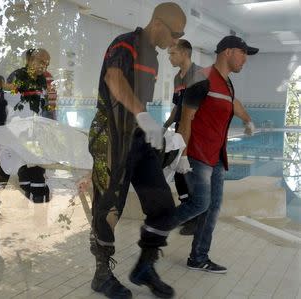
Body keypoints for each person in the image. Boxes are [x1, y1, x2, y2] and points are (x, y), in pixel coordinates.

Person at [88, 3, 186, 299]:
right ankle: (102, 276)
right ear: (158, 23)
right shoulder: (125, 44)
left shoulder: (154, 60)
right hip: (111, 137)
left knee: (163, 207)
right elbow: (114, 80)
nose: (176, 41)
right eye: (175, 33)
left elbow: (138, 97)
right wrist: (143, 115)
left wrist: (160, 135)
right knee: (109, 208)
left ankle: (145, 266)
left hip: (138, 139)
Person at [171, 35, 258, 274]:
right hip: (198, 154)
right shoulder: (201, 78)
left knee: (213, 207)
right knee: (201, 203)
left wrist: (248, 120)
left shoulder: (227, 83)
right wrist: (183, 155)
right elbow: (185, 119)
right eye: (243, 54)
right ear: (228, 52)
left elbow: (233, 103)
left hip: (217, 155)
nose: (245, 60)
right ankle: (158, 224)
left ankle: (198, 257)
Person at [0, 48, 52, 221]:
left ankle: (37, 213)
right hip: (12, 133)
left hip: (34, 135)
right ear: (31, 60)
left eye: (47, 63)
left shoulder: (43, 81)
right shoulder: (16, 78)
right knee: (5, 168)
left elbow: (43, 107)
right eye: (41, 61)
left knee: (36, 169)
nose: (44, 66)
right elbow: (2, 105)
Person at [164, 39, 202, 236]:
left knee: (189, 171)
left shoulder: (199, 75)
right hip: (181, 128)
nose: (169, 57)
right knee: (179, 172)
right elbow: (178, 107)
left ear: (185, 54)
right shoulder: (178, 78)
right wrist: (165, 125)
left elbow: (196, 111)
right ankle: (188, 212)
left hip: (195, 130)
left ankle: (196, 219)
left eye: (172, 54)